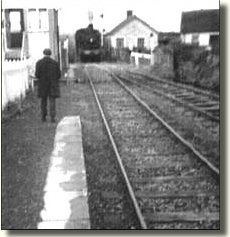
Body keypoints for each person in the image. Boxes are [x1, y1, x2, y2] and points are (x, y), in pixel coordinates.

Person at [35, 48, 61, 122]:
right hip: (52, 84)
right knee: (52, 101)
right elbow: (59, 75)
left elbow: (37, 75)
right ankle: (52, 117)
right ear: (50, 54)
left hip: (43, 85)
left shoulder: (39, 63)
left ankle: (43, 117)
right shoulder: (55, 63)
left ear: (43, 53)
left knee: (43, 101)